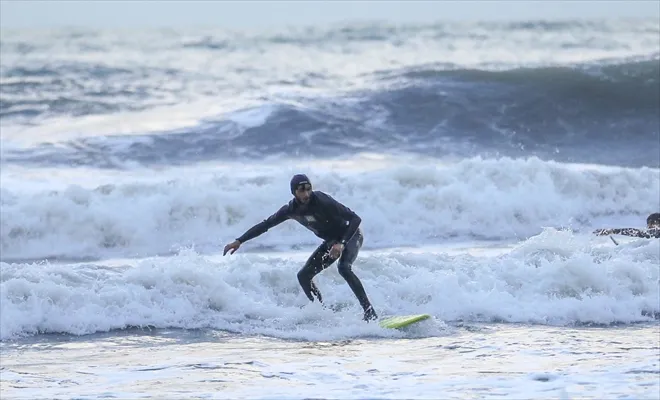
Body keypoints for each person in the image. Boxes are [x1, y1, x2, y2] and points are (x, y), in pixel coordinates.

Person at [223, 174, 378, 322]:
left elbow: (355, 218)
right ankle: (324, 314)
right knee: (304, 276)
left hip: (351, 236)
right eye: (301, 190)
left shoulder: (322, 200)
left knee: (344, 268)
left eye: (308, 189)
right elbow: (266, 224)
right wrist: (239, 241)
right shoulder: (291, 210)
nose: (306, 193)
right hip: (332, 241)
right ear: (293, 192)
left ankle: (370, 313)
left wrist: (342, 243)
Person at [593, 212, 660, 239]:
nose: (648, 227)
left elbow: (636, 232)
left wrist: (612, 231)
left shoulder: (656, 232)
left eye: (650, 224)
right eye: (648, 225)